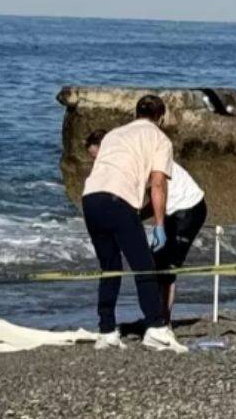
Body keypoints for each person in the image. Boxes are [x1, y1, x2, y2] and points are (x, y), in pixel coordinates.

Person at [80, 95, 187, 353]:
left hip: (90, 199)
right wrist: (159, 224)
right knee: (144, 267)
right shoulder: (160, 139)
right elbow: (158, 184)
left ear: (135, 114)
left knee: (110, 267)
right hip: (119, 199)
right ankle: (156, 329)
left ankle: (106, 331)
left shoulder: (114, 134)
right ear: (161, 118)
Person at [86, 130, 208, 326]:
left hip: (188, 207)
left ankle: (163, 320)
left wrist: (143, 220)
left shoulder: (134, 159)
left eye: (98, 157)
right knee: (155, 261)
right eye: (94, 159)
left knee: (166, 267)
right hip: (170, 208)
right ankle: (157, 315)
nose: (98, 163)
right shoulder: (126, 158)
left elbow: (156, 192)